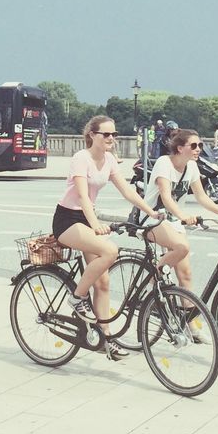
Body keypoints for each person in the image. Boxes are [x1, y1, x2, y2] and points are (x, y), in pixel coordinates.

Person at [53, 115, 162, 361]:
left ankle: (106, 339)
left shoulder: (110, 159)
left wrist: (151, 211)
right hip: (69, 220)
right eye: (107, 134)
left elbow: (127, 191)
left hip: (87, 219)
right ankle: (77, 298)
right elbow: (81, 197)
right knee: (110, 252)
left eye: (114, 134)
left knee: (102, 284)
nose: (112, 138)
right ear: (92, 135)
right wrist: (95, 225)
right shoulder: (81, 158)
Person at [137, 128, 218, 339]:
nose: (198, 149)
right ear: (180, 148)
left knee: (186, 275)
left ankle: (190, 325)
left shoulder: (191, 166)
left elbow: (201, 196)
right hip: (153, 218)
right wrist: (183, 216)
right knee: (181, 247)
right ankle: (153, 279)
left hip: (174, 221)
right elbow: (166, 196)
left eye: (200, 145)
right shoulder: (165, 163)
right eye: (194, 146)